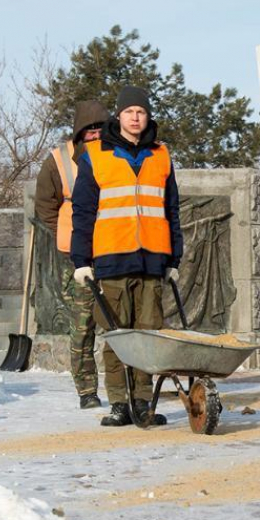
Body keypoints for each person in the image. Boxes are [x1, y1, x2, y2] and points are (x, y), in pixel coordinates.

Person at [70, 86, 183, 427]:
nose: (135, 117)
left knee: (148, 335)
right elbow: (83, 211)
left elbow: (171, 210)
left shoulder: (161, 155)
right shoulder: (95, 155)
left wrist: (174, 259)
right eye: (129, 111)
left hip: (152, 259)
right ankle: (119, 402)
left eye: (142, 112)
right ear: (118, 115)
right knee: (118, 335)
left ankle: (143, 402)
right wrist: (81, 261)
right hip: (111, 258)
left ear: (148, 117)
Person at [35, 100, 109, 410]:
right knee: (81, 327)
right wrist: (65, 234)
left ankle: (128, 388)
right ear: (79, 132)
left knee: (120, 324)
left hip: (113, 250)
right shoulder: (58, 161)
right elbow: (45, 205)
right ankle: (87, 390)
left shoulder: (118, 155)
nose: (94, 134)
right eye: (88, 129)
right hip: (76, 257)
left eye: (100, 128)